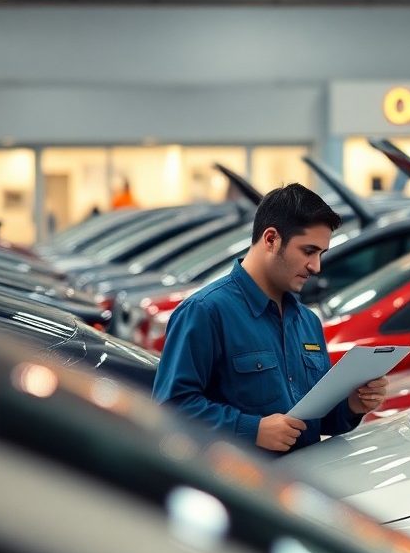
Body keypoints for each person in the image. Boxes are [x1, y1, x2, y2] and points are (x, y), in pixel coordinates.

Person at [153, 183, 388, 455]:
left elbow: (316, 419)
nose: (316, 266)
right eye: (308, 251)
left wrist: (352, 405)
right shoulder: (205, 311)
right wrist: (251, 430)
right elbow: (170, 410)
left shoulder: (308, 322)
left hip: (303, 477)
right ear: (271, 239)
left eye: (320, 254)